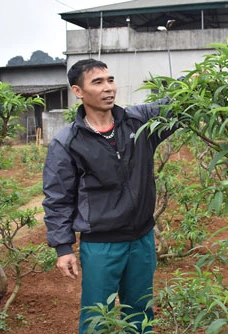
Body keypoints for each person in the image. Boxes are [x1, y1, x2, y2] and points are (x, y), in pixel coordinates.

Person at [42, 58, 177, 333]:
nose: (108, 88)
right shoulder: (68, 142)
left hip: (142, 239)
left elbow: (179, 106)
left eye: (110, 80)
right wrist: (63, 247)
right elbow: (58, 197)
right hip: (102, 245)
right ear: (78, 92)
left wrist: (210, 81)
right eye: (98, 82)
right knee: (97, 317)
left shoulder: (138, 121)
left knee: (140, 312)